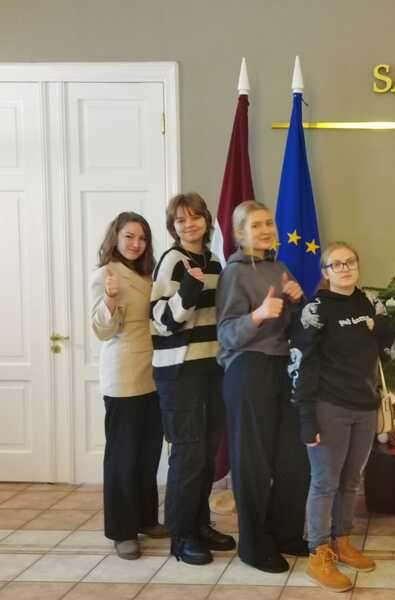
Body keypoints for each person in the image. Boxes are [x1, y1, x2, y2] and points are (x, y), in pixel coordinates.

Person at [291, 241, 395, 592]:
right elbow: (302, 365)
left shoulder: (370, 302)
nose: (344, 268)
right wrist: (306, 417)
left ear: (358, 264)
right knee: (325, 482)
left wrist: (378, 326)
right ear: (325, 272)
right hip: (329, 408)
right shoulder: (316, 309)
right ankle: (318, 554)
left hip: (365, 407)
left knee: (351, 481)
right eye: (336, 264)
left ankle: (342, 540)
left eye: (349, 262)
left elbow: (392, 350)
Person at [216, 200, 308, 573]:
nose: (266, 230)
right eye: (256, 225)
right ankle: (253, 546)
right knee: (252, 462)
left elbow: (292, 326)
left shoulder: (279, 267)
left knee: (291, 457)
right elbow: (226, 333)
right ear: (240, 234)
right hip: (248, 369)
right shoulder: (234, 273)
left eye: (269, 223)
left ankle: (285, 533)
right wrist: (257, 315)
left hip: (282, 367)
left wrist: (298, 302)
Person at [151, 192, 235, 565]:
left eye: (195, 217)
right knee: (187, 455)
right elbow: (161, 321)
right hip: (179, 371)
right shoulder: (173, 261)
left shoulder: (214, 261)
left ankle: (200, 525)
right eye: (181, 220)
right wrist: (189, 289)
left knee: (206, 454)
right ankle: (181, 536)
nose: (189, 225)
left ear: (206, 220)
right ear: (173, 226)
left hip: (211, 368)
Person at [90, 212, 167, 560]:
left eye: (142, 238)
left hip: (154, 374)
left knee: (148, 453)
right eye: (129, 237)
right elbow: (101, 330)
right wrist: (109, 299)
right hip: (124, 376)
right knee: (123, 456)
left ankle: (146, 519)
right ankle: (122, 530)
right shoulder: (106, 275)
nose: (136, 244)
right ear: (115, 238)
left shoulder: (148, 274)